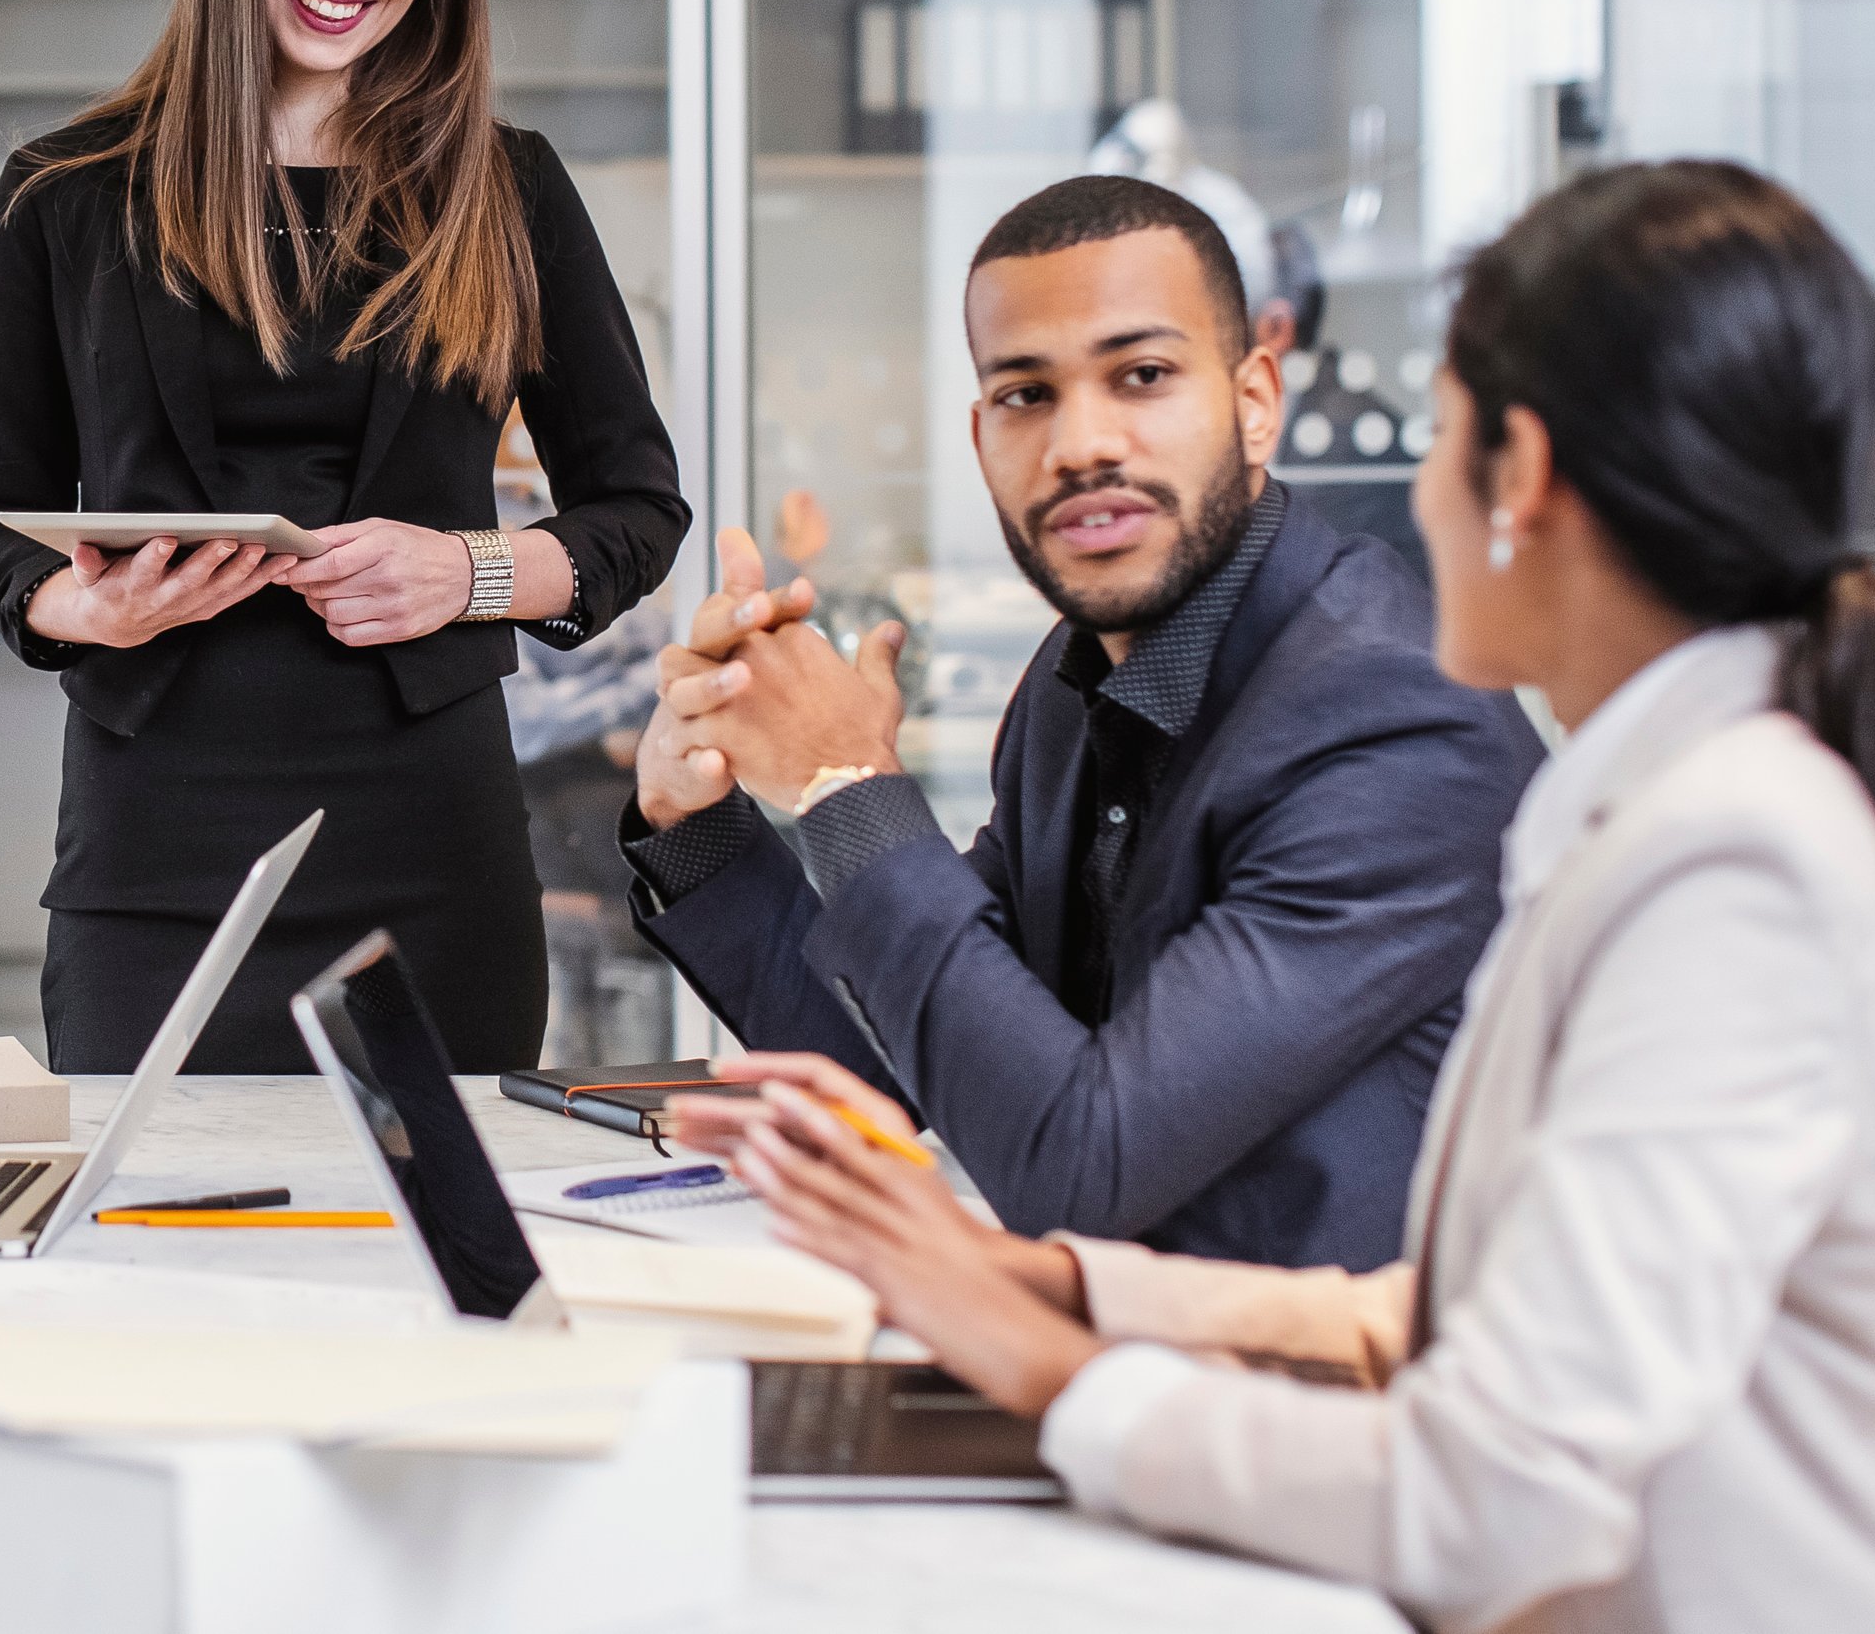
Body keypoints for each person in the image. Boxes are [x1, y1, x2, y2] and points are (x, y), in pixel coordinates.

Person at [704, 160, 1875, 1633]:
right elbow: (1461, 1307)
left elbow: (1500, 1490)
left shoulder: (1728, 863)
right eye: (1026, 393)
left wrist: (1069, 1378)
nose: (1408, 502)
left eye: (1437, 440)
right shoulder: (1670, 812)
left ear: (1526, 475)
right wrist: (1054, 1292)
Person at [0, 0, 687, 1073]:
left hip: (430, 845)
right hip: (155, 847)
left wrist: (467, 573)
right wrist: (84, 605)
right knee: (157, 1259)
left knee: (431, 1254)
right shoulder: (66, 195)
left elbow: (640, 508)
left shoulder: (508, 191)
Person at [627, 175, 1538, 1268]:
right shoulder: (1074, 685)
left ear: (1256, 400)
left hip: (1347, 1404)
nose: (1080, 444)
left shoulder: (1394, 718)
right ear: (980, 438)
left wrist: (845, 784)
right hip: (1133, 1368)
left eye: (1141, 376)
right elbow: (897, 1072)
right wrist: (699, 817)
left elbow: (1084, 1165)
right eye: (1026, 395)